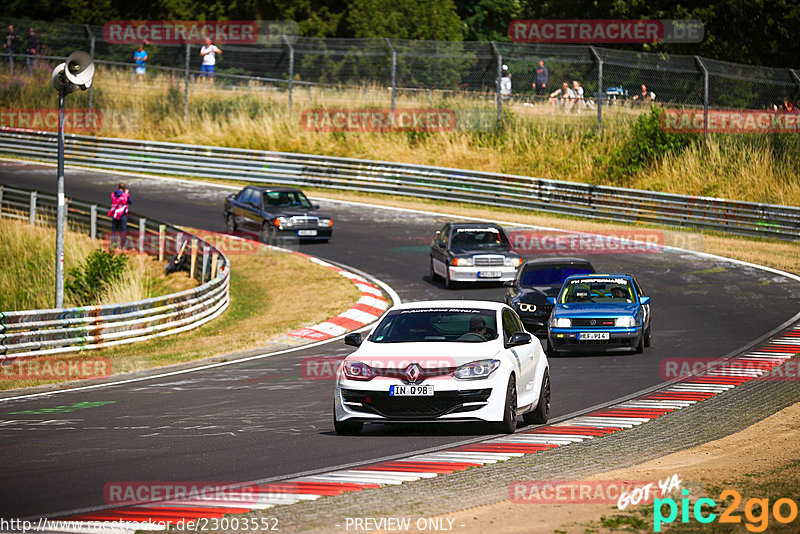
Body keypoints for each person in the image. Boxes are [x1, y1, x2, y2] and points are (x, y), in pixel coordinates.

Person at [108, 182, 131, 250]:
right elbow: (129, 201)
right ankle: (123, 245)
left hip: (115, 213)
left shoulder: (113, 194)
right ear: (124, 188)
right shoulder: (125, 195)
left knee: (114, 230)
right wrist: (127, 194)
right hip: (122, 214)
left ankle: (112, 244)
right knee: (123, 230)